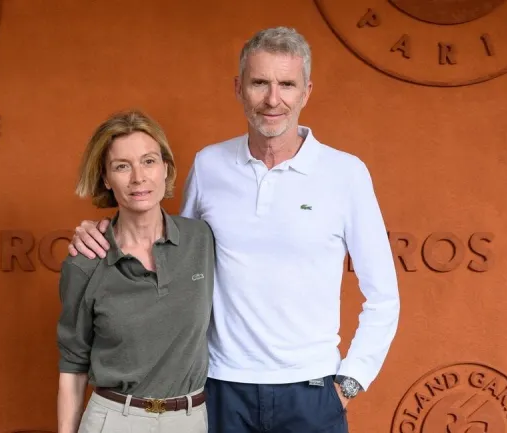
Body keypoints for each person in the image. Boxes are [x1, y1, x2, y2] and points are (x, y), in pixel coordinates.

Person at [68, 27, 400, 433]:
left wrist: (349, 382)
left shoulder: (346, 174)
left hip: (312, 390)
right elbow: (171, 248)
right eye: (259, 83)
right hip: (222, 388)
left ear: (306, 92)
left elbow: (384, 294)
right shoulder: (209, 166)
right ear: (239, 89)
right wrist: (102, 230)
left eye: (287, 85)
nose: (272, 99)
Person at [56, 109, 215, 433]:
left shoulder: (201, 240)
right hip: (114, 420)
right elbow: (72, 367)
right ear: (105, 177)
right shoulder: (84, 261)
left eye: (148, 161)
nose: (138, 178)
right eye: (122, 166)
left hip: (190, 420)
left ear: (165, 168)